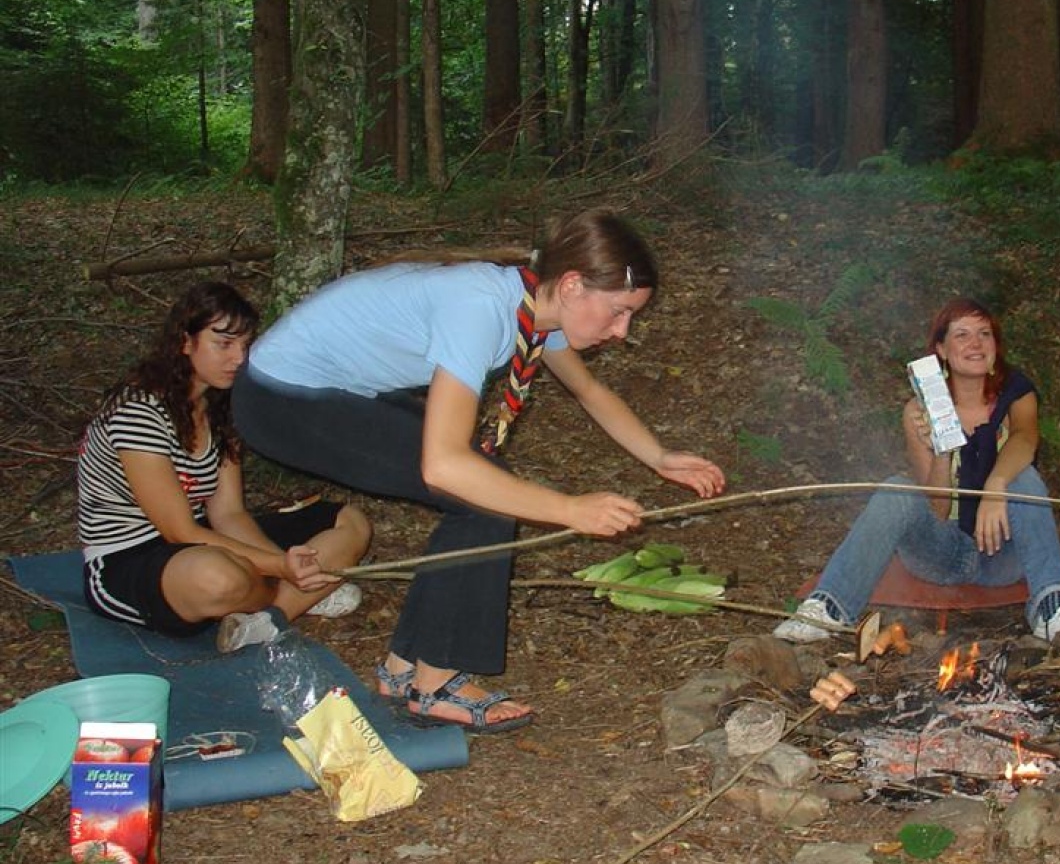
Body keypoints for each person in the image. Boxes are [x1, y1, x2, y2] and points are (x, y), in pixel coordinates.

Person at [233, 209, 726, 734]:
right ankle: (436, 682)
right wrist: (567, 509)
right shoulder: (480, 307)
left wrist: (659, 456)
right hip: (280, 399)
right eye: (619, 312)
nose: (622, 331)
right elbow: (444, 466)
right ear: (575, 285)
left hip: (319, 390)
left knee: (486, 485)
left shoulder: (537, 307)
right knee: (483, 494)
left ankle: (407, 669)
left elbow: (590, 391)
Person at [774, 297, 1060, 646]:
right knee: (897, 489)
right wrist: (941, 450)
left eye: (984, 334)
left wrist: (996, 485)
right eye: (962, 335)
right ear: (941, 348)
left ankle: (1055, 611)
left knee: (1025, 477)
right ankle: (829, 610)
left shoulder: (1017, 394)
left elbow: (1025, 439)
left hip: (1003, 552)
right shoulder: (919, 410)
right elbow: (936, 510)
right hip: (944, 552)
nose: (975, 343)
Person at [77, 282, 372, 653]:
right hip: (131, 557)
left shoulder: (220, 407)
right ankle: (293, 598)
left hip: (200, 538)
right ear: (185, 341)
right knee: (217, 578)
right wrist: (281, 566)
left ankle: (269, 614)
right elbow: (178, 531)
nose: (238, 359)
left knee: (349, 522)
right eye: (223, 344)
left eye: (245, 346)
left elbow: (229, 514)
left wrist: (285, 564)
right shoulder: (136, 411)